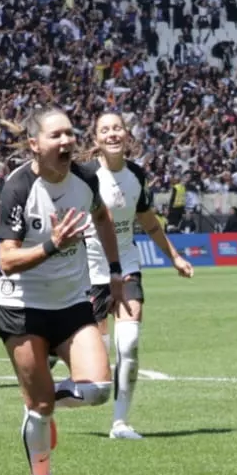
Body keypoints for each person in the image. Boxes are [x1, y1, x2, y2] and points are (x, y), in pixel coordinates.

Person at [0, 107, 128, 475]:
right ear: (34, 144)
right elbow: (6, 259)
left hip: (71, 302)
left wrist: (115, 270)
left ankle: (40, 402)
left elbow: (102, 217)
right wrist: (52, 244)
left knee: (98, 390)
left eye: (70, 133)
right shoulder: (18, 188)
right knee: (41, 409)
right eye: (56, 135)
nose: (67, 140)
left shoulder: (86, 178)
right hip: (22, 307)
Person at [82, 112, 197, 440]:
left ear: (126, 134)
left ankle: (120, 423)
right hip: (90, 272)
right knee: (96, 361)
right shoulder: (85, 175)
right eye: (105, 130)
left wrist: (174, 257)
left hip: (127, 266)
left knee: (129, 343)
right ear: (96, 139)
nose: (112, 134)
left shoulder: (136, 175)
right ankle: (45, 399)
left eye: (117, 128)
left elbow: (148, 223)